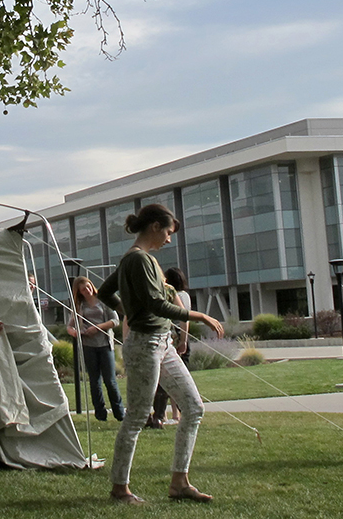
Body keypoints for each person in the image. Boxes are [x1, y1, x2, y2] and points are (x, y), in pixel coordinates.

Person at [97, 203, 225, 504]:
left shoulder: (136, 259)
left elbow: (105, 292)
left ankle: (180, 483)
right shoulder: (139, 260)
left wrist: (127, 309)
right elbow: (157, 304)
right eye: (167, 232)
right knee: (138, 416)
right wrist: (200, 316)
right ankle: (119, 488)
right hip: (145, 345)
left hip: (162, 343)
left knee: (193, 407)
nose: (169, 239)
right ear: (154, 226)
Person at [68, 276, 125, 421]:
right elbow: (70, 325)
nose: (87, 290)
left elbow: (115, 321)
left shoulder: (103, 300)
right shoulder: (79, 306)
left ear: (91, 285)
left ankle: (120, 413)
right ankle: (100, 414)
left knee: (110, 381)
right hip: (89, 346)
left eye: (88, 286)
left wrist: (98, 328)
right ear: (79, 292)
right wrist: (75, 332)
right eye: (83, 289)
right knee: (94, 382)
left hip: (105, 345)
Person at [149, 266, 193, 428]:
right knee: (174, 379)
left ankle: (163, 415)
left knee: (168, 379)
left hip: (171, 339)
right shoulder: (185, 296)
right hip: (179, 339)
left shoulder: (171, 294)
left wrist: (182, 340)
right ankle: (173, 414)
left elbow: (183, 317)